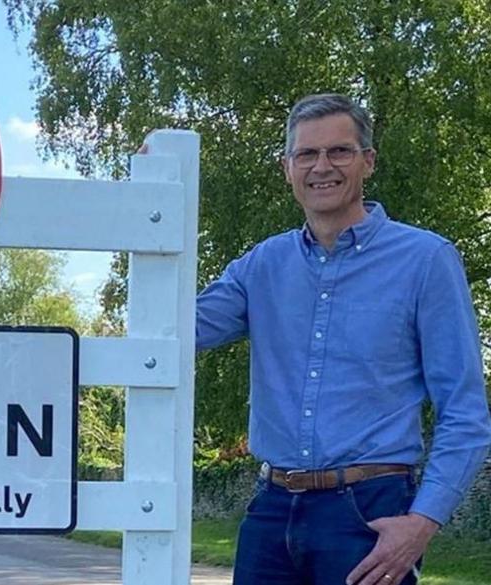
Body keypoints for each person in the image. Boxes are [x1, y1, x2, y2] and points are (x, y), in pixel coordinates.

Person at [188, 94, 491, 585]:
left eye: (339, 152)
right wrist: (146, 207)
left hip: (370, 516)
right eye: (306, 154)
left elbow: (464, 411)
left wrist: (422, 523)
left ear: (367, 161)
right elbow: (178, 330)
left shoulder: (426, 260)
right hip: (271, 511)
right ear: (287, 168)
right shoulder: (262, 266)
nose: (321, 167)